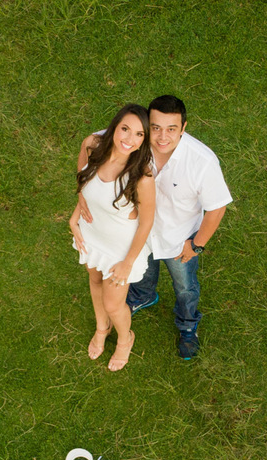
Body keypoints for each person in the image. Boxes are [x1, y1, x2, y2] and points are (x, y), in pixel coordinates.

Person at [77, 95, 232, 360]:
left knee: (184, 286)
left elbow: (217, 208)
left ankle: (187, 326)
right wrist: (81, 195)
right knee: (143, 274)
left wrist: (196, 244)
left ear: (183, 128)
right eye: (156, 127)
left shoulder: (202, 161)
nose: (162, 137)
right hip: (136, 235)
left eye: (171, 129)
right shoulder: (134, 142)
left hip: (177, 239)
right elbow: (92, 142)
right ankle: (143, 296)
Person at [68, 104, 156, 371]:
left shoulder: (142, 175)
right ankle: (101, 328)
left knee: (113, 303)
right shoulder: (93, 146)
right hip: (92, 234)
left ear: (144, 140)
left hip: (121, 248)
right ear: (114, 126)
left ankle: (125, 339)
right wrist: (75, 216)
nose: (129, 139)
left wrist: (128, 262)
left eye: (139, 134)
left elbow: (147, 222)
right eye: (125, 129)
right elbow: (83, 181)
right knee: (94, 279)